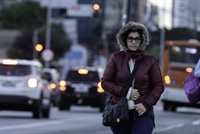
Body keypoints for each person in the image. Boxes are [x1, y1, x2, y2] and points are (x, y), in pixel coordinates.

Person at [101, 21, 164, 134]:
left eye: (137, 39)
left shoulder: (150, 61)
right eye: (130, 39)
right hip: (120, 111)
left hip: (143, 113)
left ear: (142, 40)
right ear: (124, 40)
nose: (134, 42)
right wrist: (126, 92)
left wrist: (146, 104)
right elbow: (105, 82)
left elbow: (158, 86)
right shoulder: (115, 58)